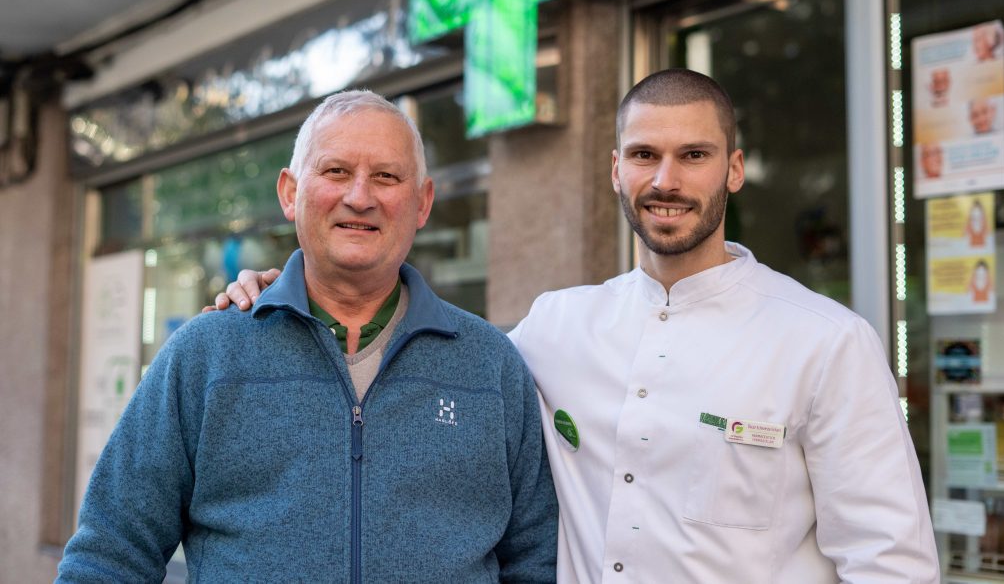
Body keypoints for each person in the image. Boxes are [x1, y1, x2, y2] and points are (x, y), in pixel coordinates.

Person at [214, 70, 940, 582]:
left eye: (694, 155)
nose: (667, 180)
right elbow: (407, 346)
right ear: (615, 170)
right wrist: (280, 293)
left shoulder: (826, 341)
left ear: (735, 169)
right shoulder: (556, 325)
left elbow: (891, 562)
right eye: (644, 155)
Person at [57, 91, 558, 582]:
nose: (359, 197)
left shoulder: (491, 365)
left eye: (386, 176)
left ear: (422, 202)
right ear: (290, 193)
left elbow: (538, 559)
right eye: (336, 171)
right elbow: (111, 554)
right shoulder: (207, 355)